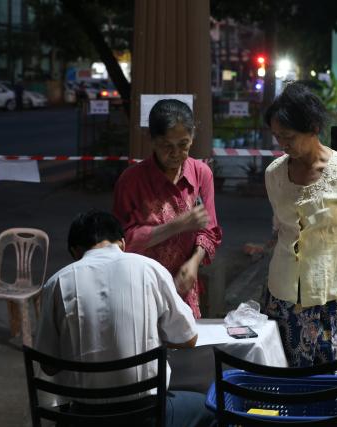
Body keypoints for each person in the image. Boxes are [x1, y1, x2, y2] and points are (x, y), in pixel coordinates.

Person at [34, 210, 213, 427]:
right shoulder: (150, 269)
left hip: (84, 418)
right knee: (210, 408)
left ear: (75, 251)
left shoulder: (56, 284)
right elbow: (188, 338)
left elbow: (49, 366)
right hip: (146, 416)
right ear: (122, 243)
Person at [263, 82, 337, 367]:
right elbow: (281, 227)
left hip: (336, 296)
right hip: (283, 292)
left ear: (313, 127)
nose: (283, 145)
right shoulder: (274, 174)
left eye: (289, 136)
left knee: (333, 379)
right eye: (277, 137)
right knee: (285, 374)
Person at [113, 99, 222, 318]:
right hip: (139, 286)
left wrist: (193, 263)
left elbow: (210, 232)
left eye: (183, 144)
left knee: (183, 348)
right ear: (152, 141)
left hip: (183, 286)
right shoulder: (131, 180)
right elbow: (119, 242)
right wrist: (177, 225)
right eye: (166, 146)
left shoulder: (201, 174)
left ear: (192, 138)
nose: (175, 153)